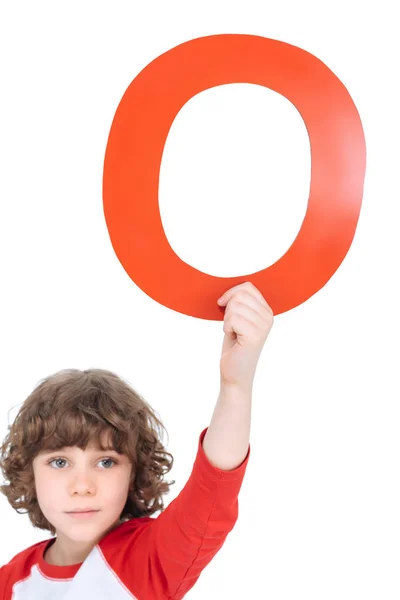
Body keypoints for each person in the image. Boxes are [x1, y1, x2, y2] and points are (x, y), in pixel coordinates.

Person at [0, 282, 274, 599]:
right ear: (28, 473)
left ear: (134, 473)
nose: (82, 485)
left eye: (106, 462)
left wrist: (236, 384)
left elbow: (211, 494)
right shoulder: (11, 583)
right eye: (60, 462)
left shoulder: (150, 559)